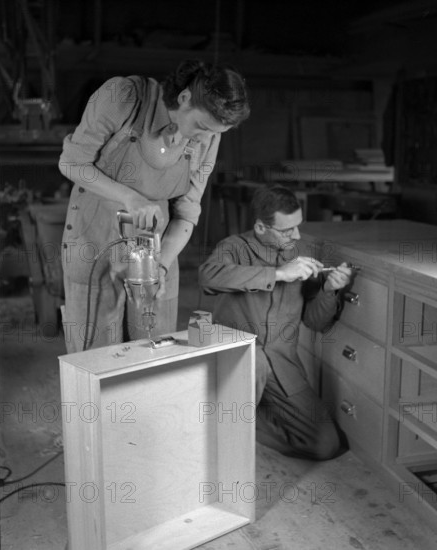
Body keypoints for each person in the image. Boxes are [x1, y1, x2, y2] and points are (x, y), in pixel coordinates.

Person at [58, 60, 250, 353]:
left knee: (154, 348)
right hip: (94, 236)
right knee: (96, 351)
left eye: (215, 133)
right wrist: (130, 197)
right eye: (200, 126)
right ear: (184, 98)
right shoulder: (123, 97)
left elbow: (187, 212)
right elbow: (71, 163)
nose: (204, 139)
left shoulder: (208, 138)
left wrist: (160, 265)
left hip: (155, 246)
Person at [198, 185, 353, 460]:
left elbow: (314, 322)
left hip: (282, 365)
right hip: (238, 361)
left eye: (298, 227)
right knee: (253, 356)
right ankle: (229, 422)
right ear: (260, 227)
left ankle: (248, 421)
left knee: (325, 444)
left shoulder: (299, 252)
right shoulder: (234, 248)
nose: (297, 236)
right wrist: (279, 273)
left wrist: (329, 291)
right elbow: (209, 277)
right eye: (287, 231)